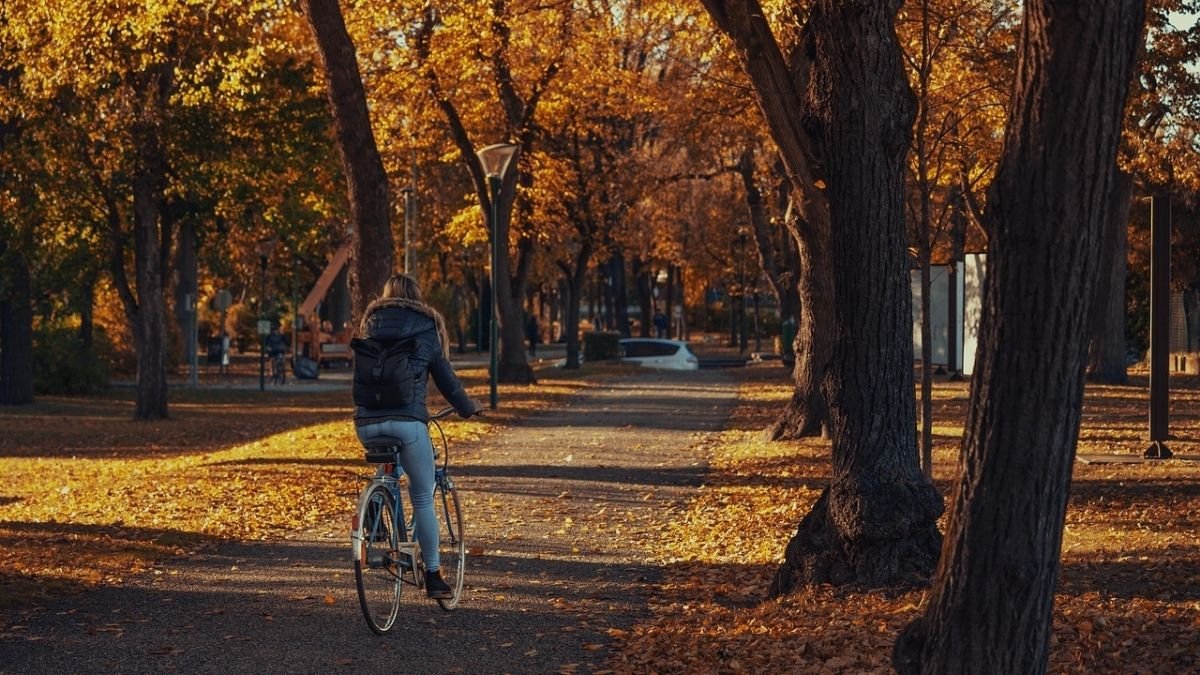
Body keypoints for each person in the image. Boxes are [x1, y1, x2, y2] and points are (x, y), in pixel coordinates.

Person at [353, 273, 483, 599]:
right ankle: (434, 576)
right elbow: (446, 380)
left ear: (386, 296)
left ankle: (376, 501)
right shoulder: (426, 326)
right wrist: (468, 408)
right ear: (417, 297)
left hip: (365, 423)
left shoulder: (369, 324)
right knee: (423, 496)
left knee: (387, 463)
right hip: (408, 423)